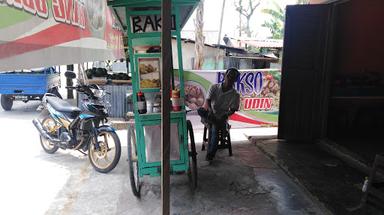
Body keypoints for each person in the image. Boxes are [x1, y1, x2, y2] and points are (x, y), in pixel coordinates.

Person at [198, 68, 240, 161]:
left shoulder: (235, 94)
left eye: (233, 77)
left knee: (215, 128)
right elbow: (208, 101)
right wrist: (211, 112)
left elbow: (232, 110)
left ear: (235, 80)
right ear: (225, 76)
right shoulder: (214, 87)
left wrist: (224, 116)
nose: (230, 79)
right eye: (228, 76)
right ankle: (216, 123)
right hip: (210, 113)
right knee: (200, 110)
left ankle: (210, 154)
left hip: (222, 116)